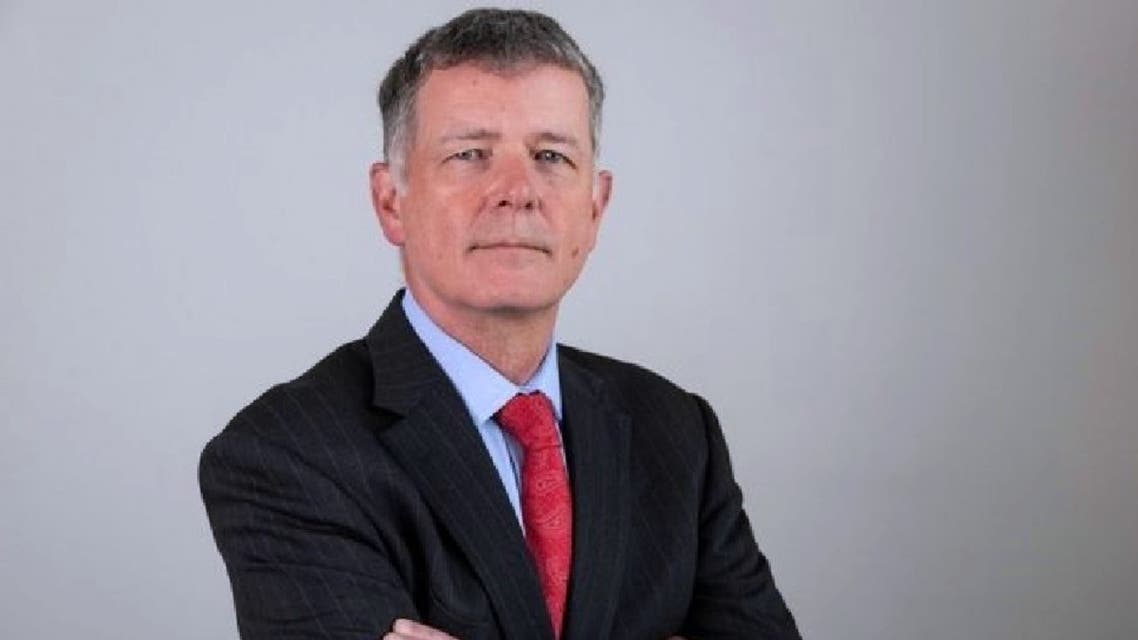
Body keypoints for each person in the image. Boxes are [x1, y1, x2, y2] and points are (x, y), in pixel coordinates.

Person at [199, 8, 801, 640]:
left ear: (595, 208)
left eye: (551, 156)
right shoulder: (286, 454)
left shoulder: (676, 430)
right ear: (391, 201)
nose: (518, 190)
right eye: (469, 154)